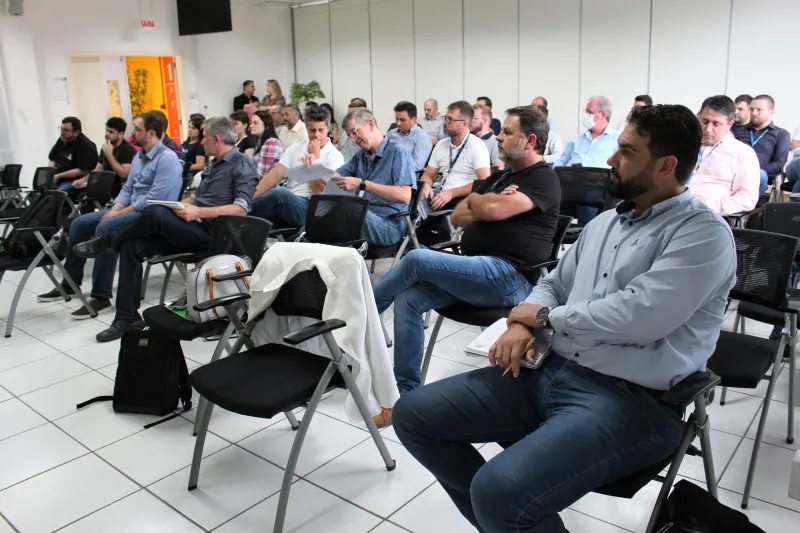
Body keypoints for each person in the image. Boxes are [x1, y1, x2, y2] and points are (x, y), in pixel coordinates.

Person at [392, 104, 737, 533]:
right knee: (413, 415)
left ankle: (508, 519)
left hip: (632, 399)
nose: (611, 159)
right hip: (553, 371)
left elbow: (637, 317)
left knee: (498, 492)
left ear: (666, 166)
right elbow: (553, 284)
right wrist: (522, 322)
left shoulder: (701, 234)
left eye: (626, 152)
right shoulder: (607, 222)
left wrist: (545, 318)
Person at [373, 105, 561, 419]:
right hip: (475, 272)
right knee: (408, 298)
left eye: (507, 132)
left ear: (530, 140)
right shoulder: (502, 178)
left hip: (508, 277)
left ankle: (362, 315)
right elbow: (458, 215)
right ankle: (405, 398)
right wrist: (482, 202)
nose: (499, 137)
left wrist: (478, 201)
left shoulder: (544, 179)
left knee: (417, 258)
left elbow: (492, 212)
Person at [74, 116, 259, 342]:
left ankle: (108, 241)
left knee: (154, 211)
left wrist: (196, 212)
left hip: (213, 234)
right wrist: (183, 205)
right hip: (191, 227)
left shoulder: (242, 163)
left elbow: (241, 209)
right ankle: (126, 318)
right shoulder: (214, 165)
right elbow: (198, 197)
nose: (202, 142)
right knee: (132, 245)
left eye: (205, 137)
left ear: (216, 138)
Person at [37, 112, 183, 318]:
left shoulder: (167, 159)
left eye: (137, 129)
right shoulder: (139, 157)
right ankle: (70, 283)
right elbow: (127, 188)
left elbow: (152, 199)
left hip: (152, 215)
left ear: (151, 133)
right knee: (79, 223)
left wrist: (118, 214)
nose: (133, 133)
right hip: (129, 208)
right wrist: (114, 209)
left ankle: (100, 296)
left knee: (106, 228)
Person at [250, 106, 343, 228]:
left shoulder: (335, 156)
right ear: (306, 128)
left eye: (321, 130)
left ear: (328, 128)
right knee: (251, 206)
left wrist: (314, 158)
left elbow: (320, 196)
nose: (316, 135)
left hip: (311, 208)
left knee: (279, 193)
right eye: (312, 130)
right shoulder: (295, 148)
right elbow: (275, 175)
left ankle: (236, 210)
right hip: (288, 202)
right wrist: (248, 198)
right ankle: (238, 209)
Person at [334, 108, 416, 246]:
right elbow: (335, 177)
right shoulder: (361, 156)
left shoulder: (398, 152)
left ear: (370, 124)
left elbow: (404, 196)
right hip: (366, 217)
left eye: (355, 132)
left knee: (347, 209)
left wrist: (363, 184)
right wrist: (315, 166)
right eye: (350, 136)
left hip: (389, 225)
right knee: (322, 210)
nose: (353, 140)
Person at [687, 95, 760, 215]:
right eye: (704, 121)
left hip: (708, 214)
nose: (708, 129)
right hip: (672, 206)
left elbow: (748, 198)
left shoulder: (742, 153)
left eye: (716, 124)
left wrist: (712, 206)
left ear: (729, 125)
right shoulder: (683, 144)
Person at [555, 96, 619, 224]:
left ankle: (587, 239)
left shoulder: (617, 140)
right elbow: (560, 163)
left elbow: (620, 168)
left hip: (598, 190)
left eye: (590, 112)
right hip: (570, 185)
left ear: (603, 115)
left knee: (586, 200)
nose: (586, 115)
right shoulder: (576, 140)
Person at [421, 101, 491, 210]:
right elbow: (428, 175)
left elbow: (484, 182)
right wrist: (425, 185)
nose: (445, 122)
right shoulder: (441, 144)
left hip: (464, 201)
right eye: (445, 118)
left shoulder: (477, 146)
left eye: (450, 119)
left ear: (464, 124)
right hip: (441, 197)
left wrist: (451, 193)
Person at [732, 94, 791, 196]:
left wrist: (752, 170)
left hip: (759, 173)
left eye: (759, 110)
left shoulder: (780, 134)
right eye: (752, 109)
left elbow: (778, 164)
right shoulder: (737, 131)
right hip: (734, 170)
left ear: (771, 112)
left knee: (760, 174)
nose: (754, 113)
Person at [70, 118, 136, 198]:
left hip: (119, 189)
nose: (106, 134)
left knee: (85, 199)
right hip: (104, 185)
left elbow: (124, 175)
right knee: (78, 195)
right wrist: (83, 179)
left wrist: (109, 155)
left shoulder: (127, 149)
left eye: (111, 132)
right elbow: (98, 170)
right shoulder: (106, 147)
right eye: (106, 130)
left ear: (120, 134)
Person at [48, 116, 98, 191]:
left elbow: (84, 170)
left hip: (73, 180)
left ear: (76, 132)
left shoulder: (86, 145)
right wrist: (49, 174)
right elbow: (52, 159)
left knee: (56, 195)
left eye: (65, 131)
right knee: (37, 193)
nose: (62, 133)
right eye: (61, 129)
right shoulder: (62, 139)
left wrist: (58, 176)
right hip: (57, 177)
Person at [386, 101, 433, 172]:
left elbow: (417, 165)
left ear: (414, 119)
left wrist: (392, 167)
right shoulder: (391, 133)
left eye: (402, 120)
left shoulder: (422, 137)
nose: (398, 123)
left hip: (404, 177)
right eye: (396, 119)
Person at [249, 110, 283, 178]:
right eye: (251, 123)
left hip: (270, 187)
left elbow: (262, 175)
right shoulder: (260, 141)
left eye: (255, 122)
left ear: (266, 125)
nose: (251, 125)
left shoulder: (271, 143)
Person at [470, 103, 503, 170]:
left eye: (473, 118)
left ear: (484, 121)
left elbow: (499, 170)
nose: (469, 121)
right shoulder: (467, 140)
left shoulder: (495, 143)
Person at [337, 98, 368, 163]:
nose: (348, 118)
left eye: (352, 115)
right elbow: (339, 149)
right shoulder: (346, 131)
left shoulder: (365, 134)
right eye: (348, 114)